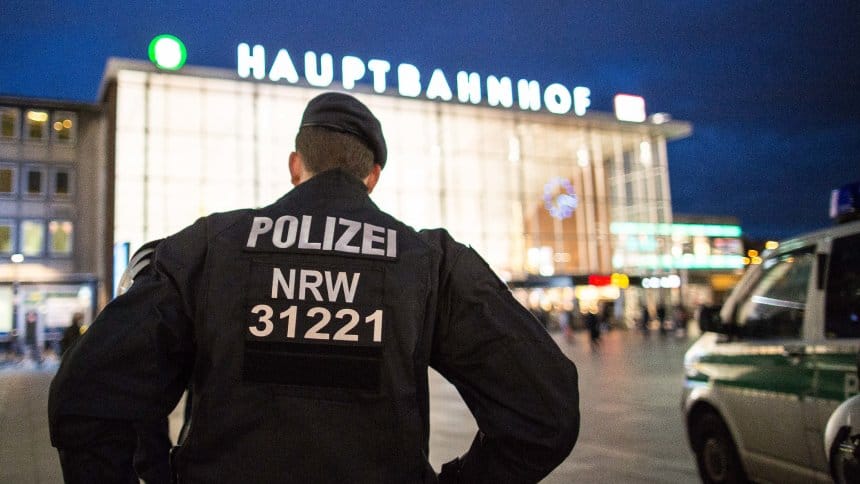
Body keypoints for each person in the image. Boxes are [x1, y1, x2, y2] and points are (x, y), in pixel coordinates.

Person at [48, 92, 580, 483]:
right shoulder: (428, 262)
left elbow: (87, 395)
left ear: (295, 166)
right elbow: (546, 413)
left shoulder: (210, 248)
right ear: (372, 176)